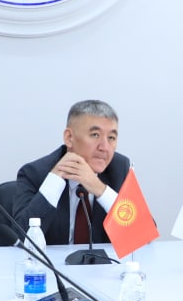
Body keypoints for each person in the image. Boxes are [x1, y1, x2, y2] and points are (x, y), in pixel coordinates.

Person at [14, 99, 131, 245]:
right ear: (69, 138)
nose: (104, 147)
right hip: (51, 260)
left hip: (102, 260)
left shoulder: (119, 169)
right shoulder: (35, 173)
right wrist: (55, 181)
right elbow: (19, 239)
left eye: (111, 138)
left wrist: (100, 189)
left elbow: (144, 234)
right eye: (95, 135)